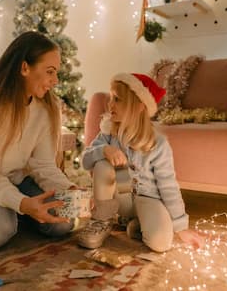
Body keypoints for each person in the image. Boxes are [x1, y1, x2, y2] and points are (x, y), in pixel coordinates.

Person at [0, 31, 78, 249]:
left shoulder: (46, 109)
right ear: (24, 68)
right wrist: (23, 203)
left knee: (64, 222)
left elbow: (43, 165)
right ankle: (11, 213)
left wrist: (70, 189)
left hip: (20, 181)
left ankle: (18, 212)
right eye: (50, 72)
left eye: (56, 72)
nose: (56, 80)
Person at [78, 73, 203, 252]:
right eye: (111, 97)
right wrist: (104, 150)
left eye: (117, 99)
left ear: (139, 107)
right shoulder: (107, 133)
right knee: (102, 164)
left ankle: (136, 224)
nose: (110, 104)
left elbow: (168, 186)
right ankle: (101, 221)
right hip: (119, 196)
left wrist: (181, 226)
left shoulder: (158, 143)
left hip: (147, 199)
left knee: (161, 244)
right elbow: (85, 160)